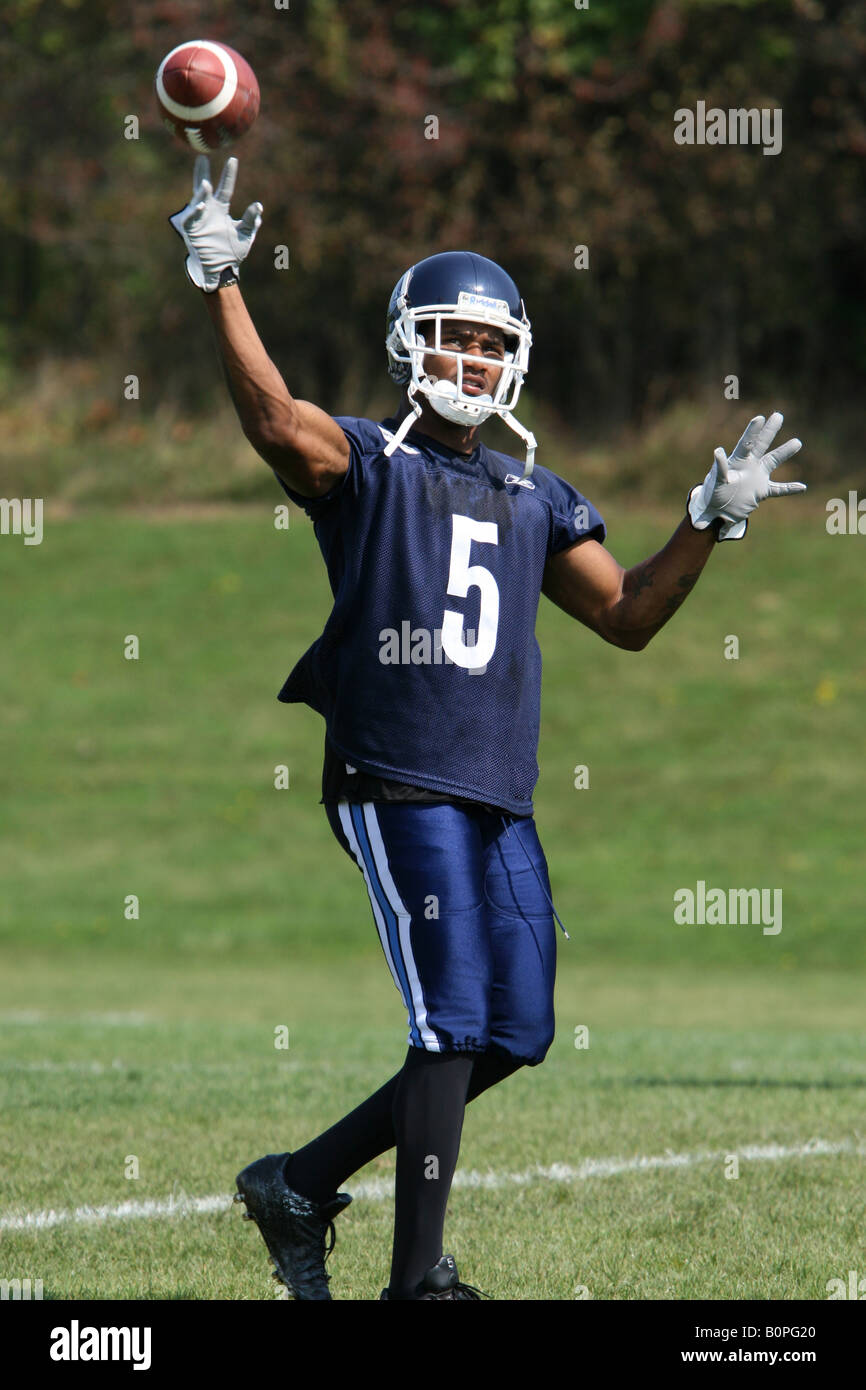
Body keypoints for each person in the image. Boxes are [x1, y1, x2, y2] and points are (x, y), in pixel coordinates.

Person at [169, 157, 806, 1301]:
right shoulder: (370, 462)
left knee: (514, 1028)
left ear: (515, 359)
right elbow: (273, 420)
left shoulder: (532, 494)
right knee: (451, 1017)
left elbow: (626, 614)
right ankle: (418, 1283)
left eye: (488, 343)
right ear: (408, 345)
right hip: (392, 778)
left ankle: (297, 1184)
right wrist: (222, 283)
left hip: (495, 793)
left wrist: (706, 521)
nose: (470, 360)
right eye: (449, 338)